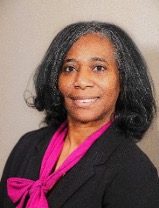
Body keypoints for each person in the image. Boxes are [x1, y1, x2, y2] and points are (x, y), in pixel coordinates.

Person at [0, 21, 159, 208]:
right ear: (55, 79)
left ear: (123, 80)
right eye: (70, 68)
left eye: (98, 67)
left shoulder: (134, 170)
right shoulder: (27, 145)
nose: (81, 81)